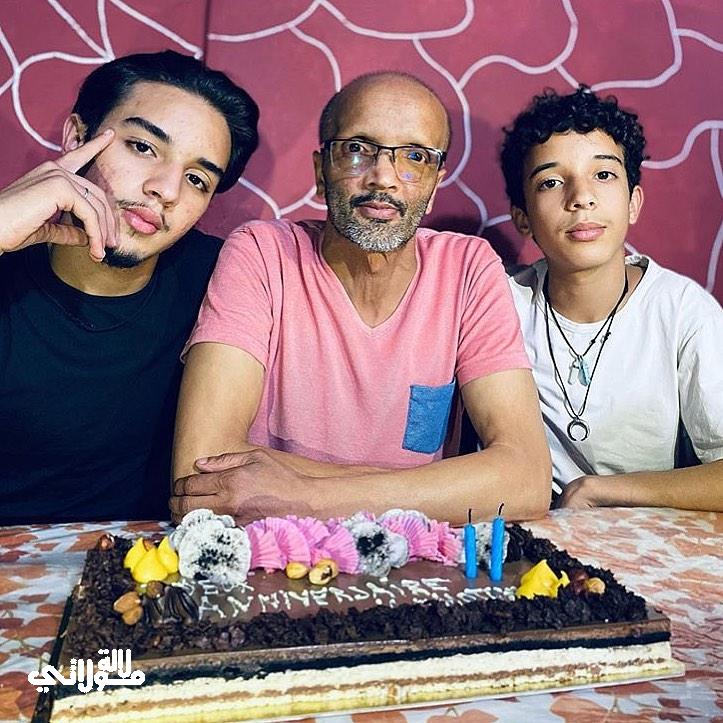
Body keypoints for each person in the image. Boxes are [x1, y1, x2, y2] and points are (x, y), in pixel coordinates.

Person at [171, 72, 551, 526]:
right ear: (321, 171)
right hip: (277, 554)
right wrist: (445, 487)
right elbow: (201, 472)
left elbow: (527, 478)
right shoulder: (262, 253)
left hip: (415, 556)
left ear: (434, 185)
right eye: (357, 148)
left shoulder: (467, 267)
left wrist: (307, 496)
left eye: (414, 157)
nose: (383, 177)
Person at [0, 50, 259, 524]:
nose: (167, 190)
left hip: (147, 561)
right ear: (77, 137)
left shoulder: (225, 281)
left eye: (197, 178)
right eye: (143, 147)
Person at [502, 87, 723, 511]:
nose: (581, 198)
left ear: (633, 202)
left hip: (653, 539)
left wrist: (603, 490)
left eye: (603, 175)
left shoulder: (682, 311)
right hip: (540, 540)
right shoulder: (503, 305)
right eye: (551, 182)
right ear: (523, 218)